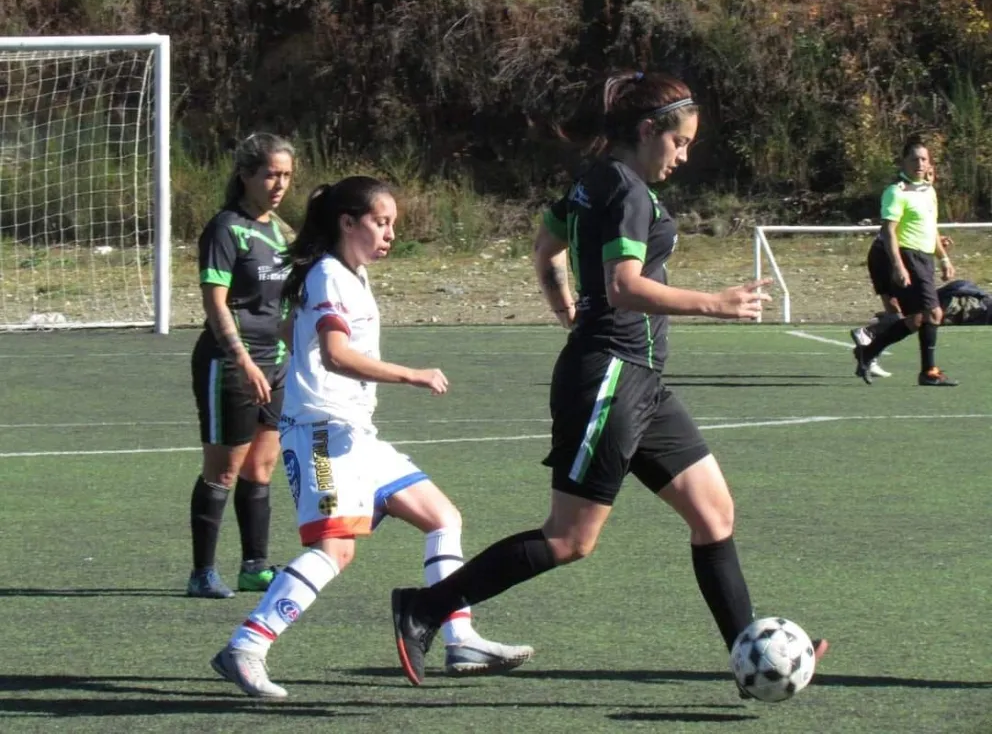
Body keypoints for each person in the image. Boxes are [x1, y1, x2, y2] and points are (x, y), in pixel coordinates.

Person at [389, 71, 829, 690]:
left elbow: (547, 247)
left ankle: (753, 655)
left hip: (639, 379)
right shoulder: (626, 191)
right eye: (679, 143)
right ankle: (425, 608)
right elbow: (623, 285)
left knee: (714, 514)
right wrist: (715, 303)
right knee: (570, 539)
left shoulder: (592, 179)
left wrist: (569, 310)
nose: (684, 155)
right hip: (612, 378)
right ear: (648, 131)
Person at [210, 177, 534, 698]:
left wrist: (296, 367)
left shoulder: (347, 275)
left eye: (392, 225)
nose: (389, 234)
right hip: (321, 434)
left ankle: (460, 637)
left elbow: (299, 333)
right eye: (381, 223)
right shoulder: (331, 275)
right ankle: (246, 646)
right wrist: (411, 374)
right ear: (347, 222)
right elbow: (336, 353)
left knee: (442, 517)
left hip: (355, 433)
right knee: (335, 550)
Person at [188, 133, 295, 599]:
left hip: (276, 364)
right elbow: (216, 303)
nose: (279, 184)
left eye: (286, 175)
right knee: (224, 470)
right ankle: (202, 573)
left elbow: (287, 304)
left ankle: (254, 566)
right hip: (230, 364)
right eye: (270, 173)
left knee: (261, 467)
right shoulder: (225, 228)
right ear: (246, 174)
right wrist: (243, 360)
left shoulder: (281, 231)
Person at [851, 137, 957, 385]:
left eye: (923, 159)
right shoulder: (896, 192)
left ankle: (868, 353)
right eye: (914, 159)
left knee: (916, 319)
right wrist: (898, 265)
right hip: (908, 256)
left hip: (924, 257)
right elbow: (889, 232)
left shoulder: (928, 191)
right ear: (904, 162)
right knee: (934, 313)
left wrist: (944, 259)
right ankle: (929, 372)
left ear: (930, 163)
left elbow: (931, 228)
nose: (919, 164)